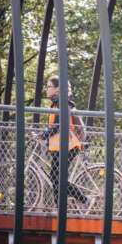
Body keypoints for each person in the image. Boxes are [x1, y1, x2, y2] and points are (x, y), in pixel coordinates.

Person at [41, 75, 89, 206]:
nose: (46, 89)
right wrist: (43, 134)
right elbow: (54, 125)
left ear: (57, 89)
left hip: (67, 146)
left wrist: (43, 135)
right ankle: (59, 206)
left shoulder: (64, 103)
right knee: (55, 178)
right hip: (60, 146)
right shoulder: (56, 103)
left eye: (49, 86)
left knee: (58, 179)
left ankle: (84, 199)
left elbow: (59, 124)